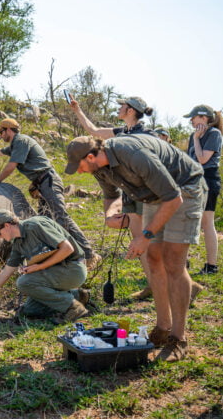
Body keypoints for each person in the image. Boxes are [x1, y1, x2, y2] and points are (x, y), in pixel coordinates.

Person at [65, 135, 206, 362]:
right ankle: (163, 327)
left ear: (91, 156)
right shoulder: (99, 167)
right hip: (155, 196)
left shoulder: (132, 154)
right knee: (153, 259)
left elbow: (173, 198)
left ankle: (179, 339)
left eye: (79, 166)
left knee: (173, 262)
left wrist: (145, 235)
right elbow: (111, 196)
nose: (79, 172)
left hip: (183, 188)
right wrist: (110, 215)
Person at [0, 118, 99, 269]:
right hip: (41, 184)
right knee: (46, 221)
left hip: (48, 181)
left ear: (9, 130)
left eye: (1, 132)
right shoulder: (15, 145)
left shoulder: (21, 141)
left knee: (61, 218)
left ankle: (89, 255)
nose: (0, 135)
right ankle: (58, 256)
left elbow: (11, 166)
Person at [70, 96, 155, 298]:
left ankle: (172, 284)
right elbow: (94, 131)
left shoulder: (146, 133)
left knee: (150, 241)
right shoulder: (122, 131)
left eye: (122, 106)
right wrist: (77, 111)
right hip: (131, 192)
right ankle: (153, 285)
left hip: (146, 191)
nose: (119, 108)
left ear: (131, 110)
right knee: (139, 239)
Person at [0, 210, 89, 324]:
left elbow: (67, 249)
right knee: (29, 310)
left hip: (73, 269)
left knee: (24, 282)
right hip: (55, 275)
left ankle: (73, 307)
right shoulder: (18, 244)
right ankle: (77, 295)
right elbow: (5, 273)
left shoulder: (36, 225)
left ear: (7, 225)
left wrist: (38, 267)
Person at [184, 105, 223, 275]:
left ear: (203, 117)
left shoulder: (213, 134)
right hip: (193, 180)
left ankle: (211, 266)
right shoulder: (193, 135)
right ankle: (182, 263)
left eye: (193, 117)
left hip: (207, 179)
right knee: (187, 220)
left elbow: (202, 159)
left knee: (207, 222)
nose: (191, 121)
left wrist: (196, 139)